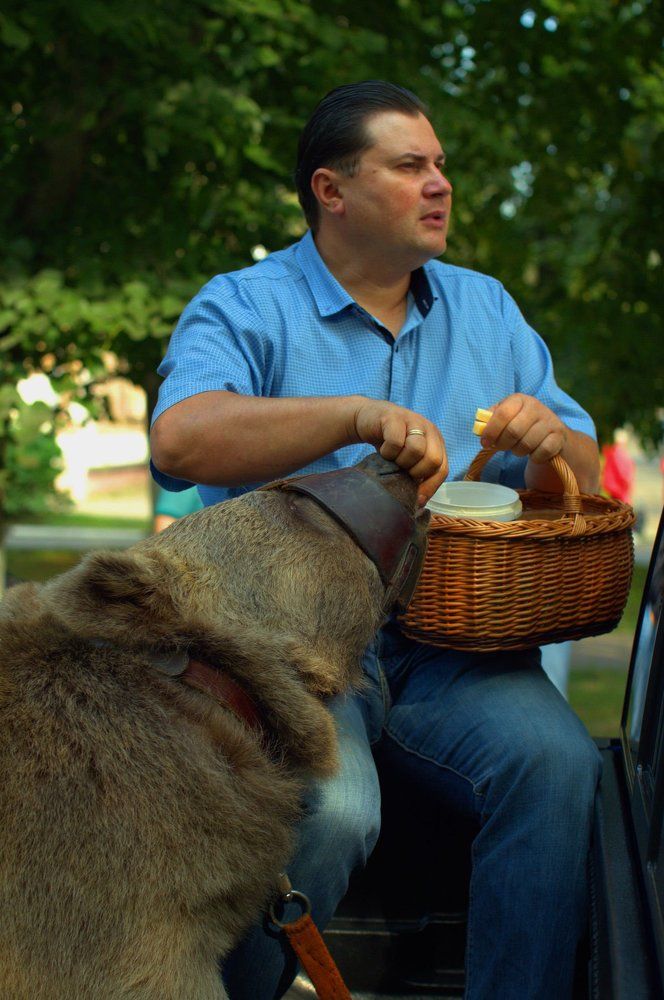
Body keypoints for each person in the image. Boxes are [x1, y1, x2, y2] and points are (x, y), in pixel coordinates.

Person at [150, 81, 602, 1000]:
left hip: (456, 652)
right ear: (332, 189)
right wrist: (350, 414)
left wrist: (551, 446)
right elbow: (181, 438)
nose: (440, 184)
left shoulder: (486, 308)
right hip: (288, 653)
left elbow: (586, 476)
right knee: (335, 807)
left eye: (440, 166)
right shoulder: (244, 304)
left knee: (558, 765)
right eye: (410, 166)